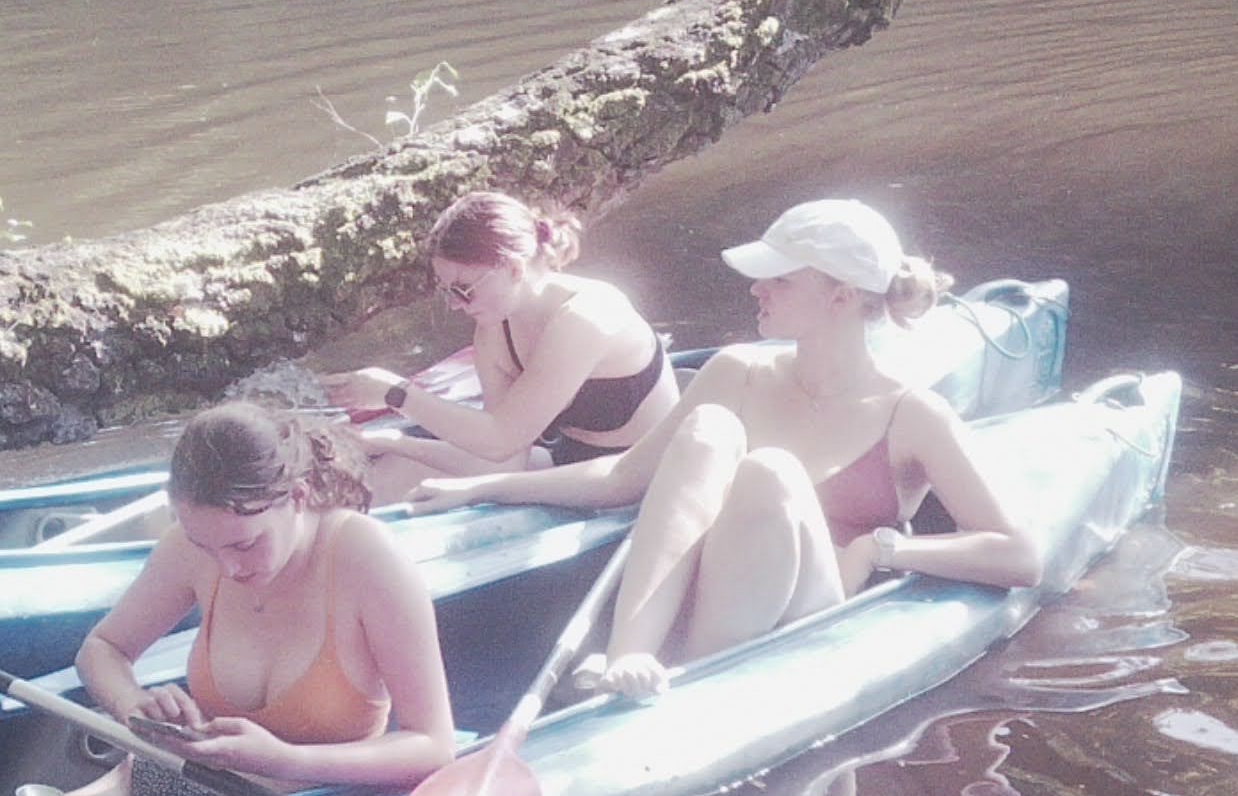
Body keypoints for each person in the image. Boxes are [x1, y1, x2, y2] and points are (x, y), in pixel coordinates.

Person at [411, 197, 1034, 696]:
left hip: (811, 615)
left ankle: (689, 677)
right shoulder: (736, 371)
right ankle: (631, 655)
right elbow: (621, 479)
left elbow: (1018, 555)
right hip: (707, 606)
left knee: (769, 472)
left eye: (778, 280)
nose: (756, 290)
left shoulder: (912, 413)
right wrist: (482, 485)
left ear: (841, 296)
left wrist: (884, 547)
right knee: (709, 427)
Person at [0, 404, 459, 796]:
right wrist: (135, 708)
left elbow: (433, 745)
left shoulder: (366, 558)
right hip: (167, 782)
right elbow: (103, 650)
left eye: (244, 545)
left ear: (297, 497)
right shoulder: (192, 547)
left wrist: (285, 760)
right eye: (206, 545)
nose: (227, 567)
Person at [328, 191, 678, 499]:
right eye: (447, 292)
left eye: (463, 289)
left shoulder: (588, 317)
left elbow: (501, 439)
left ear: (513, 268)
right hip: (569, 469)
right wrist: (389, 441)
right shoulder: (496, 329)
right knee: (392, 470)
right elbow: (502, 460)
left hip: (643, 478)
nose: (455, 305)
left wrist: (397, 394)